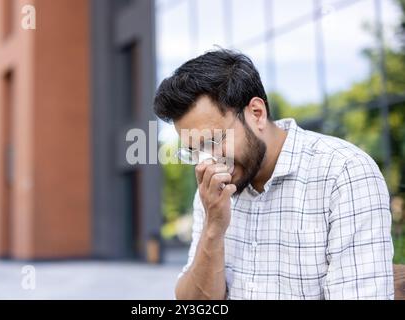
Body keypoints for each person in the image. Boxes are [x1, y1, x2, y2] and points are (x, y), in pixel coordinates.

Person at [153, 49, 394, 300]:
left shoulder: (343, 173)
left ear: (256, 113)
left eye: (213, 141)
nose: (208, 161)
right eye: (195, 151)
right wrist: (213, 227)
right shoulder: (214, 189)